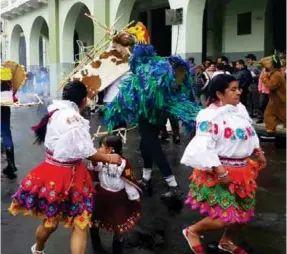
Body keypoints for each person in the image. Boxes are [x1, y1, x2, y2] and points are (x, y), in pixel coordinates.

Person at [8, 81, 122, 254]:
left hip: (53, 172)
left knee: (56, 222)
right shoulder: (73, 118)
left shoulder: (57, 111)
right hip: (68, 176)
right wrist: (110, 158)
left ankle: (38, 250)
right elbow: (88, 152)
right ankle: (37, 249)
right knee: (75, 224)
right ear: (83, 100)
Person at [180, 74, 267, 254]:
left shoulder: (239, 109)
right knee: (224, 218)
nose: (238, 93)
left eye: (239, 89)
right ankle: (192, 231)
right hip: (219, 172)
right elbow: (205, 145)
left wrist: (258, 152)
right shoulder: (208, 115)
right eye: (233, 90)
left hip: (243, 171)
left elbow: (250, 133)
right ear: (220, 94)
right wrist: (220, 171)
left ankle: (226, 241)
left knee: (244, 214)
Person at [89, 135, 142, 254]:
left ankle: (117, 247)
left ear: (110, 150)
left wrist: (134, 197)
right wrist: (94, 160)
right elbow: (94, 168)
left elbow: (128, 181)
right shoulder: (101, 159)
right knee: (96, 218)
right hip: (101, 195)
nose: (99, 149)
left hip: (118, 199)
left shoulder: (123, 163)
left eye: (101, 146)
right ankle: (95, 243)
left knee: (119, 222)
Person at [259, 54, 286, 139]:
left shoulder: (276, 74)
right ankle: (270, 132)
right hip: (276, 100)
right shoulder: (276, 73)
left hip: (280, 100)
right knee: (269, 115)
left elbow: (271, 86)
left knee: (279, 115)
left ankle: (271, 132)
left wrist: (264, 77)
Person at [1, 67, 19, 179]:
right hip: (5, 108)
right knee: (6, 133)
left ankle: (10, 165)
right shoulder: (7, 77)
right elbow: (13, 95)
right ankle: (11, 164)